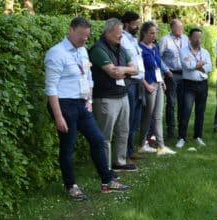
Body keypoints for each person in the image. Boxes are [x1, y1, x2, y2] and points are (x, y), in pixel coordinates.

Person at [44, 17, 129, 200]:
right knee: (68, 147)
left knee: (98, 140)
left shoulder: (83, 51)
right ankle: (71, 186)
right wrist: (58, 116)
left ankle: (107, 180)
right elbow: (51, 88)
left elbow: (88, 76)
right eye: (81, 36)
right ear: (71, 30)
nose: (84, 39)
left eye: (87, 36)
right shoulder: (56, 53)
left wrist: (89, 100)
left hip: (82, 104)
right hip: (65, 105)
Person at [89, 18, 138, 172]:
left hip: (122, 95)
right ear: (107, 32)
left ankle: (120, 162)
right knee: (105, 135)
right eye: (118, 34)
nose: (120, 37)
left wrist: (123, 70)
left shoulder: (120, 48)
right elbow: (113, 73)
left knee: (123, 130)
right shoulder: (98, 49)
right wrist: (126, 71)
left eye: (121, 34)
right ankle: (105, 168)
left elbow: (135, 69)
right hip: (106, 97)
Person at [138, 21, 176, 155]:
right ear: (144, 33)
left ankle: (161, 146)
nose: (154, 36)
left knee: (158, 115)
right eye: (151, 33)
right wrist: (145, 84)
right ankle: (142, 144)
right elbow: (138, 70)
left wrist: (162, 81)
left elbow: (158, 65)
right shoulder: (139, 49)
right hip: (148, 85)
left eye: (156, 33)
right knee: (148, 116)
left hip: (158, 83)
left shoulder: (155, 47)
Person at [178, 28, 212, 148]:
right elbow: (187, 66)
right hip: (189, 84)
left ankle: (198, 136)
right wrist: (200, 64)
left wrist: (196, 66)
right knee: (186, 111)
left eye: (200, 37)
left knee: (200, 111)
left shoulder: (205, 52)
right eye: (196, 37)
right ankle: (182, 137)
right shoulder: (183, 51)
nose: (198, 40)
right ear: (190, 38)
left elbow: (209, 68)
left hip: (202, 84)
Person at [120, 11, 145, 162]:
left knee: (135, 120)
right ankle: (124, 154)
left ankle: (130, 151)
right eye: (136, 24)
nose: (138, 27)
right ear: (127, 24)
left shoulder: (133, 40)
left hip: (138, 82)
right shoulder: (122, 39)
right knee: (127, 120)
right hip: (129, 82)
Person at [159, 19, 189, 139]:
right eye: (178, 28)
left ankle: (182, 128)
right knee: (171, 102)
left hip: (185, 74)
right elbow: (158, 57)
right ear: (171, 28)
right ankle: (170, 129)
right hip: (171, 74)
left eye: (181, 28)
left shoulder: (186, 39)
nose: (180, 30)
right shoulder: (165, 40)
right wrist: (166, 70)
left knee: (183, 102)